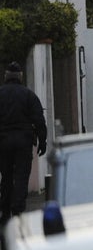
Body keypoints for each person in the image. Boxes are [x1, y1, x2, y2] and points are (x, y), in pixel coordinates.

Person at [0, 62, 47, 223]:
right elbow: (39, 120)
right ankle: (17, 209)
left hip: (3, 142)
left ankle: (5, 211)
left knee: (5, 176)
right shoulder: (29, 95)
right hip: (23, 142)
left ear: (6, 76)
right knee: (21, 176)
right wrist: (43, 141)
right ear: (20, 76)